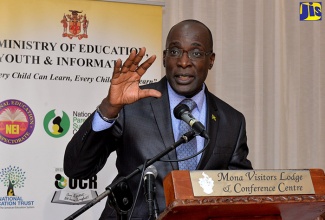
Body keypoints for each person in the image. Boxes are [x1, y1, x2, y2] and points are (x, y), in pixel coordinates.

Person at [64, 19, 253, 219]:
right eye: (175, 51)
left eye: (196, 53)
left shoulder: (232, 121)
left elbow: (240, 194)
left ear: (211, 60)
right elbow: (77, 169)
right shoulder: (131, 106)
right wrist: (109, 109)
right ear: (164, 58)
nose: (183, 62)